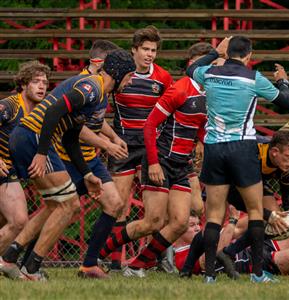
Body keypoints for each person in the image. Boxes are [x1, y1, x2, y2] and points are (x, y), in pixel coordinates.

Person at [0, 49, 136, 281]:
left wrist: (86, 174)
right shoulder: (92, 88)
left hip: (30, 137)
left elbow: (70, 137)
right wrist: (42, 153)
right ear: (119, 72)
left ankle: (10, 257)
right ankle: (31, 268)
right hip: (33, 137)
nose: (131, 80)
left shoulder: (99, 94)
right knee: (69, 204)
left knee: (56, 204)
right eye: (130, 75)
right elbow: (53, 111)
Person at [98, 42, 211, 277]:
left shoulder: (208, 92)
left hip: (181, 163)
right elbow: (150, 124)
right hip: (160, 159)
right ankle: (99, 253)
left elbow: (200, 127)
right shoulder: (180, 88)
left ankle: (138, 264)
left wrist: (206, 145)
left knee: (180, 222)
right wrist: (155, 163)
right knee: (152, 221)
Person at [186, 35, 289, 283]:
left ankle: (209, 275)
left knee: (213, 214)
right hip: (243, 147)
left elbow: (190, 69)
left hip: (214, 147)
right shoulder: (253, 78)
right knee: (255, 210)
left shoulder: (209, 73)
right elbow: (285, 102)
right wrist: (283, 81)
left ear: (228, 52)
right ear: (248, 56)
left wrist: (215, 53)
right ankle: (257, 274)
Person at [108, 26, 173, 270]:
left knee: (157, 208)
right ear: (134, 50)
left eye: (153, 50)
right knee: (118, 205)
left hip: (151, 148)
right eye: (145, 49)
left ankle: (156, 260)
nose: (149, 54)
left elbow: (172, 110)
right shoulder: (120, 75)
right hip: (123, 145)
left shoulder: (164, 78)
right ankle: (115, 264)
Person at [0, 61, 51, 256]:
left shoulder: (41, 112)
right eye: (36, 81)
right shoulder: (9, 105)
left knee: (7, 222)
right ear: (23, 84)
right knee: (19, 220)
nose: (41, 86)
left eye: (45, 83)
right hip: (3, 172)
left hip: (11, 174)